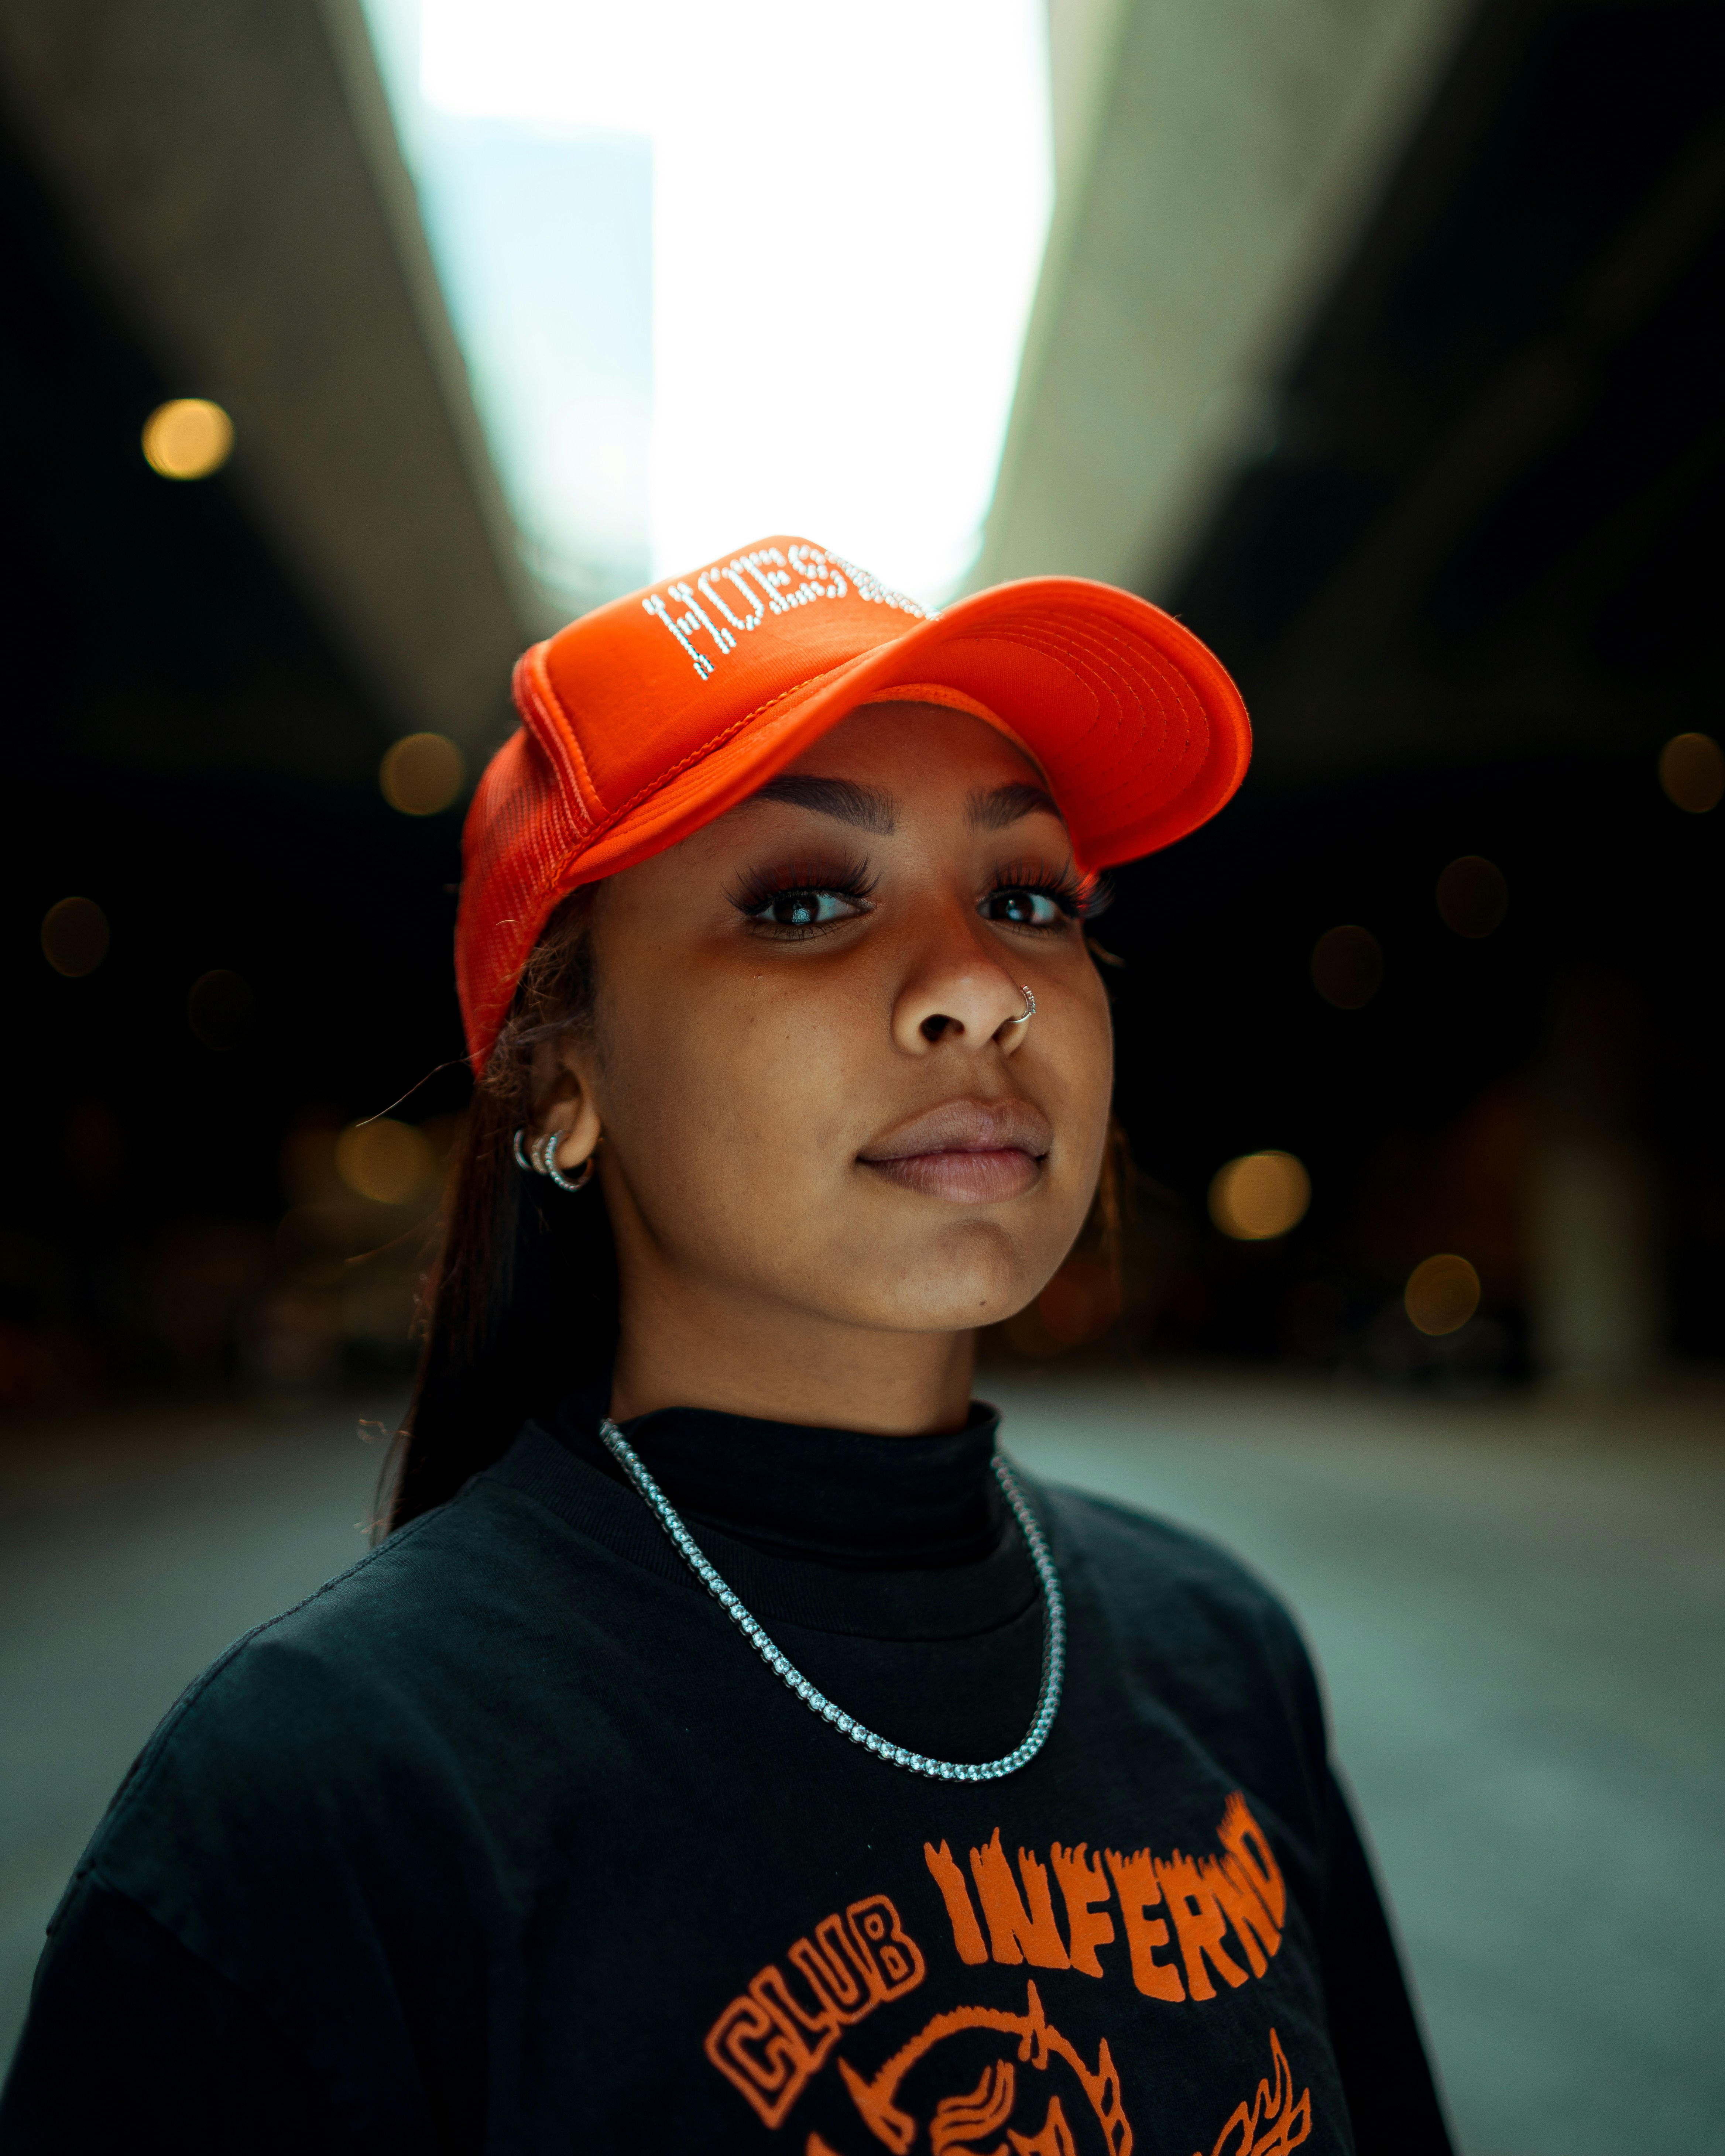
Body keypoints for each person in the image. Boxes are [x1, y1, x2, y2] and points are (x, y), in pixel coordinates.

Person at [0, 538, 1453, 2154]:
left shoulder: (1220, 1649)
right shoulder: (321, 1800)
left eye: (1029, 895)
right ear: (561, 1078)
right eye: (807, 900)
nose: (977, 987)